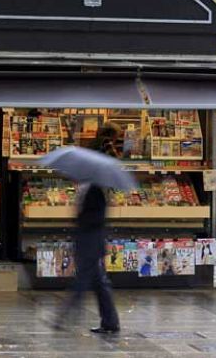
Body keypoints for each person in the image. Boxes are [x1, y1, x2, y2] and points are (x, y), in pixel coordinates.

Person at [56, 123, 121, 334]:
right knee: (98, 282)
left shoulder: (95, 190)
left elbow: (94, 216)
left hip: (90, 239)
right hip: (88, 238)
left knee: (83, 280)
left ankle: (64, 316)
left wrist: (80, 221)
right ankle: (110, 322)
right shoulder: (89, 186)